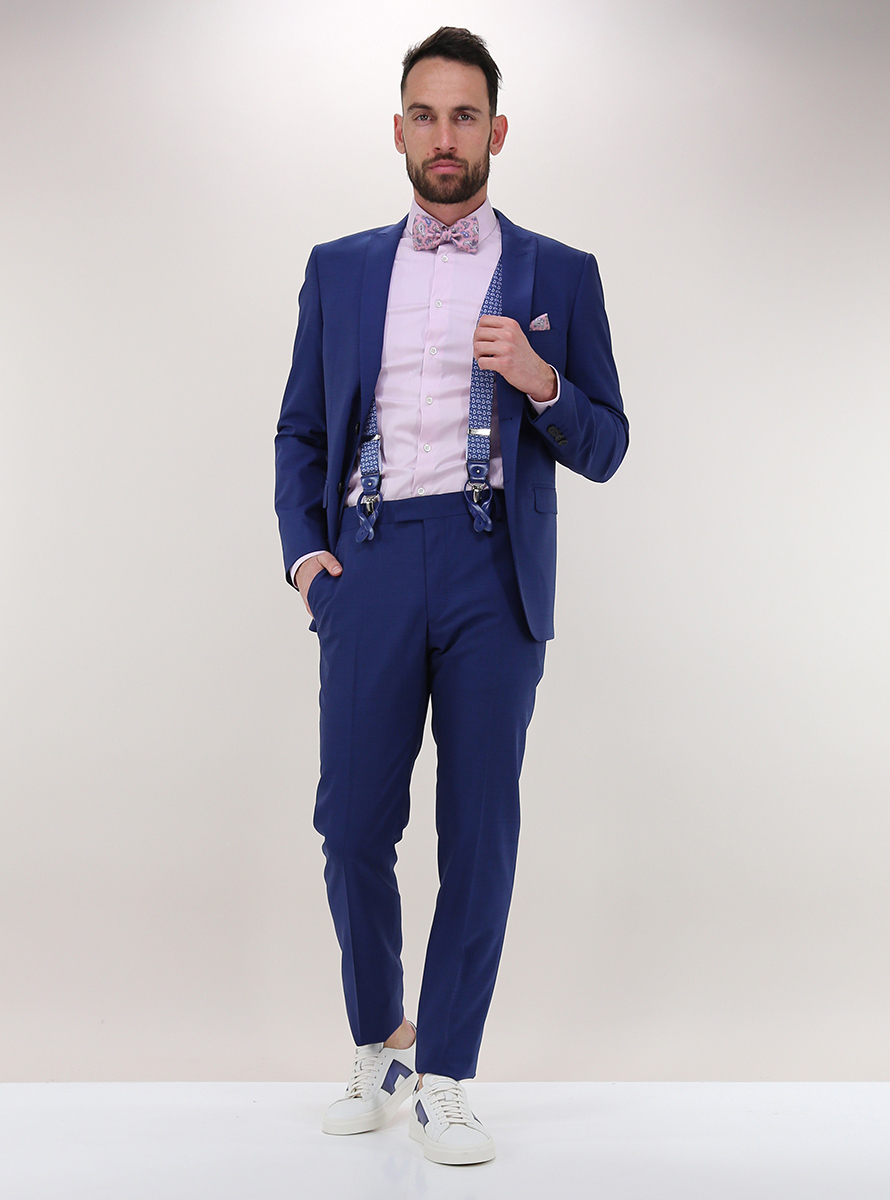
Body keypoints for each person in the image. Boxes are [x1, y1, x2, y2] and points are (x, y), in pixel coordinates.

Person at [274, 26, 628, 1166]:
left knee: (479, 829)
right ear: (398, 130)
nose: (444, 136)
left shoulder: (559, 273)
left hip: (492, 568)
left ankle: (449, 1072)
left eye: (463, 115)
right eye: (424, 115)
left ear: (496, 131)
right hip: (370, 561)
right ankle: (383, 1038)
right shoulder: (338, 267)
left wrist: (541, 381)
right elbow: (300, 428)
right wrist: (307, 557)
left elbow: (607, 444)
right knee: (349, 825)